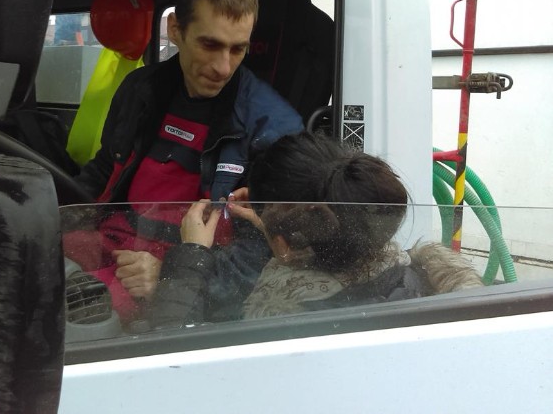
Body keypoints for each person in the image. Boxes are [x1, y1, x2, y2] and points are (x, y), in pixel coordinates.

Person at [63, 0, 304, 321]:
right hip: (112, 241)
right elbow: (105, 170)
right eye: (210, 45)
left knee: (72, 320)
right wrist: (58, 219)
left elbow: (264, 253)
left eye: (238, 49)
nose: (223, 67)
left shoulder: (272, 128)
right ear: (176, 29)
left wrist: (171, 275)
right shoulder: (140, 89)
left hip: (184, 271)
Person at [147, 131, 483, 326]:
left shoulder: (280, 323)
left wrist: (192, 254)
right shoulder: (421, 282)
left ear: (284, 244)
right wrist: (276, 225)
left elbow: (174, 367)